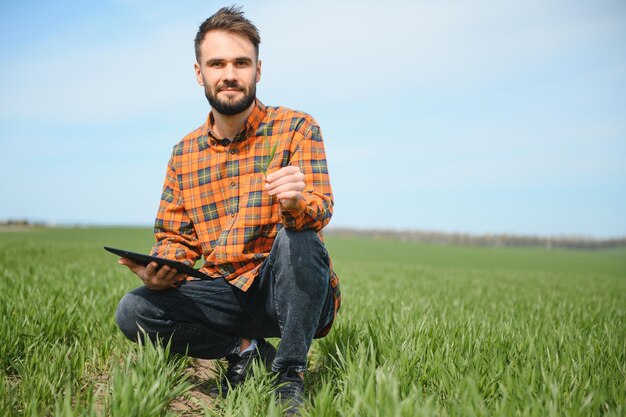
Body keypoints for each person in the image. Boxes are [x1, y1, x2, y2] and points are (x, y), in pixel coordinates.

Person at [113, 5, 340, 415]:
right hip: (225, 293)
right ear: (200, 72)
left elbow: (321, 208)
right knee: (134, 310)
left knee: (298, 236)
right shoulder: (183, 153)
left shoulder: (298, 128)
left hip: (288, 290)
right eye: (217, 63)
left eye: (241, 62)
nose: (230, 74)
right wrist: (163, 267)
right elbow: (175, 237)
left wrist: (295, 203)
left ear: (258, 69)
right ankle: (247, 351)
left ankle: (289, 376)